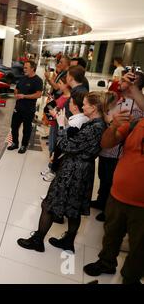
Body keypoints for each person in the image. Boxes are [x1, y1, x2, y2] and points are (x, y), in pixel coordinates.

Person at [17, 91, 108, 253]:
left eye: (86, 104)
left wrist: (60, 125)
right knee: (74, 208)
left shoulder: (95, 127)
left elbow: (66, 145)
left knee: (49, 204)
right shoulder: (98, 124)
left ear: (93, 108)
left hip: (73, 169)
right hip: (83, 168)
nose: (83, 106)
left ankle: (38, 240)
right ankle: (68, 241)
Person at [84, 72, 144, 285]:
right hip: (118, 196)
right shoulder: (137, 123)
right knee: (111, 235)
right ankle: (106, 262)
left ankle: (130, 279)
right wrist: (112, 126)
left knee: (139, 249)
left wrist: (134, 91)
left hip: (141, 206)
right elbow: (107, 144)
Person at [92, 71, 144, 221]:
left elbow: (123, 127)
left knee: (110, 180)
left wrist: (109, 120)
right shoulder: (121, 100)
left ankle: (107, 210)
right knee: (103, 177)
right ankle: (101, 201)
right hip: (106, 148)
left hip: (117, 151)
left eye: (124, 80)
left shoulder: (137, 108)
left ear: (134, 84)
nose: (119, 82)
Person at [8, 61, 43, 154]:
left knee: (26, 129)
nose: (24, 69)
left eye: (26, 68)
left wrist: (24, 96)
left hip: (28, 109)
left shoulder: (38, 80)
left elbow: (38, 94)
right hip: (18, 107)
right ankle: (15, 143)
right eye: (24, 68)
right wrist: (16, 93)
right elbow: (16, 89)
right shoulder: (22, 78)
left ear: (33, 68)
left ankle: (24, 145)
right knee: (14, 126)